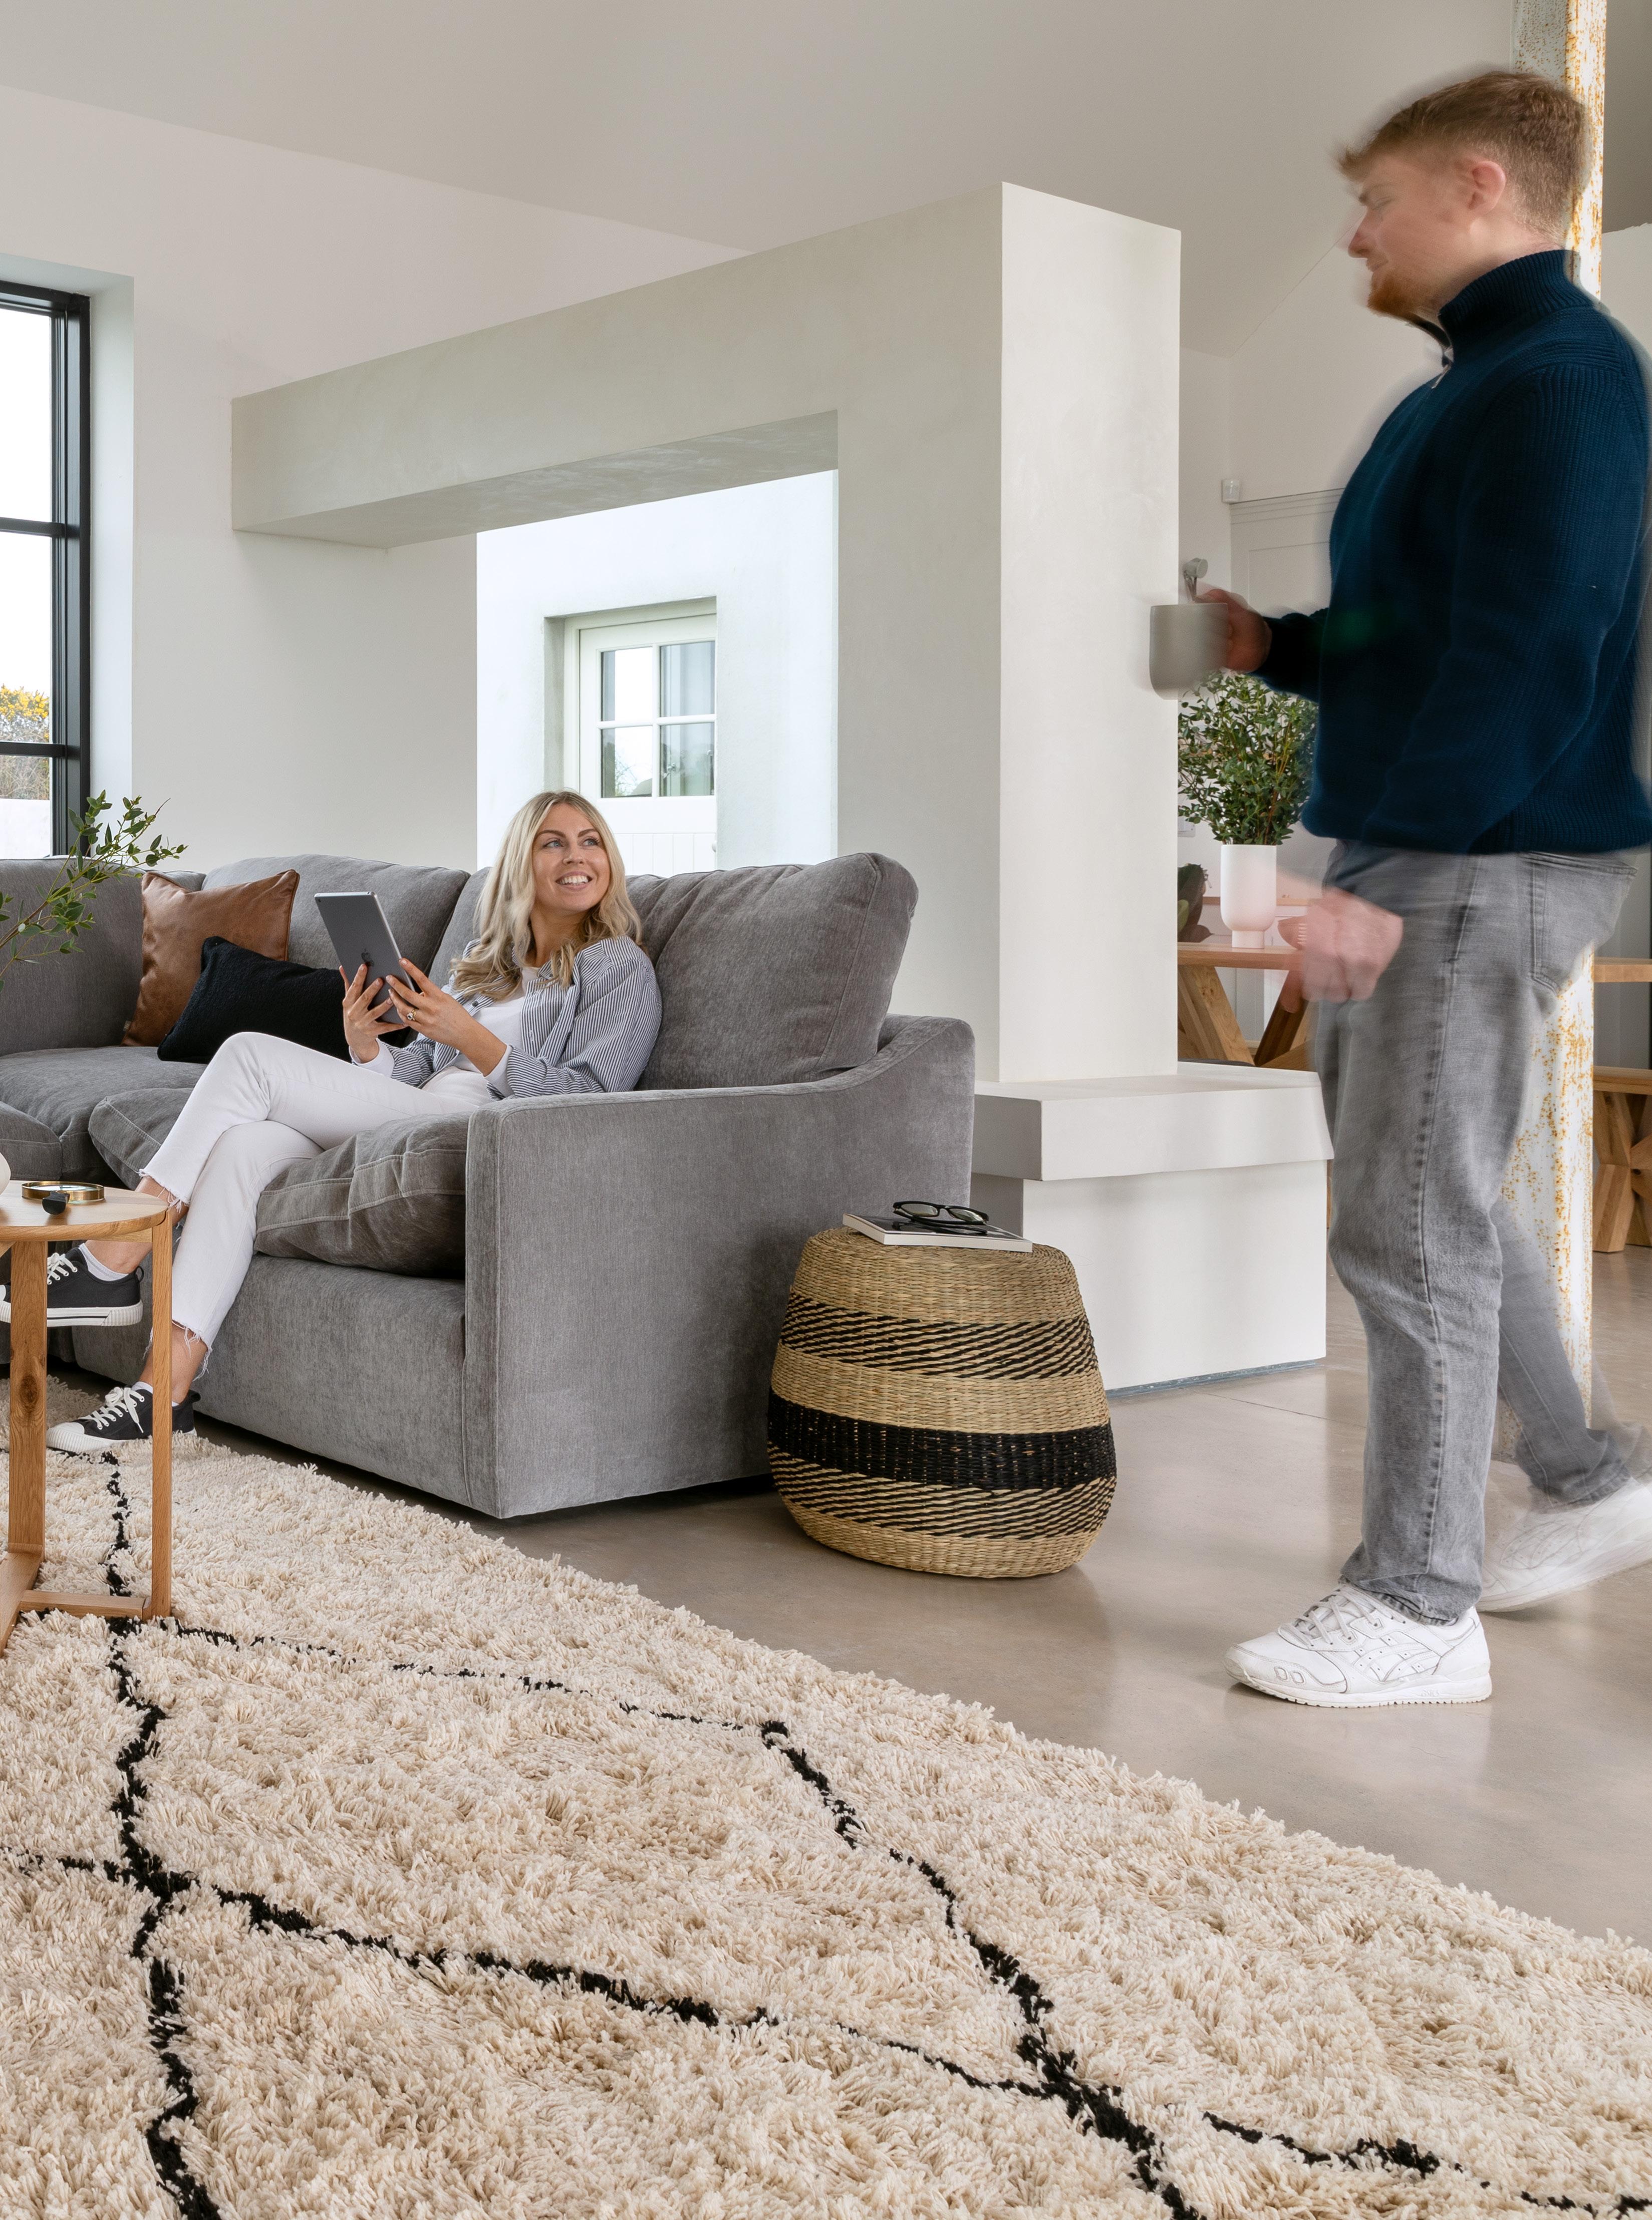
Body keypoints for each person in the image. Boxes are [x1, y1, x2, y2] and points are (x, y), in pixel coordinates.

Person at [1204, 73, 1652, 1708]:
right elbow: (1418, 636)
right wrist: (1272, 645)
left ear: (1474, 186)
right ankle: (1586, 1482)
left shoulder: (1559, 382)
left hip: (1473, 855)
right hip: (1429, 848)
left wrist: (1403, 873)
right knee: (1432, 1198)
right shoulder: (1471, 389)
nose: (1352, 237)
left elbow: (1529, 654)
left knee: (1401, 1224)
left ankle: (1413, 1605)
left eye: (1374, 201)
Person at [35, 790, 661, 1453]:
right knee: (242, 1145)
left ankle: (113, 1254)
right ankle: (161, 1396)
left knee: (248, 1057)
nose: (577, 857)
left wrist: (471, 1037)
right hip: (420, 1116)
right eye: (553, 842)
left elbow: (588, 1099)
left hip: (479, 1136)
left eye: (590, 841)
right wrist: (364, 1046)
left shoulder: (616, 965)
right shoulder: (486, 965)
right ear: (521, 863)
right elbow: (412, 1074)